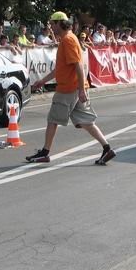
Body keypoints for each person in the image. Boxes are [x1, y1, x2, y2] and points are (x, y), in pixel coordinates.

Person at [25, 11, 116, 166]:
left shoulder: (68, 40)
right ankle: (107, 148)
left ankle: (45, 153)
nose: (51, 27)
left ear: (60, 23)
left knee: (52, 120)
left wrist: (81, 90)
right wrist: (43, 81)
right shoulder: (68, 39)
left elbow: (78, 66)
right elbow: (61, 68)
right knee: (86, 122)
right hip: (74, 88)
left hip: (68, 89)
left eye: (52, 24)